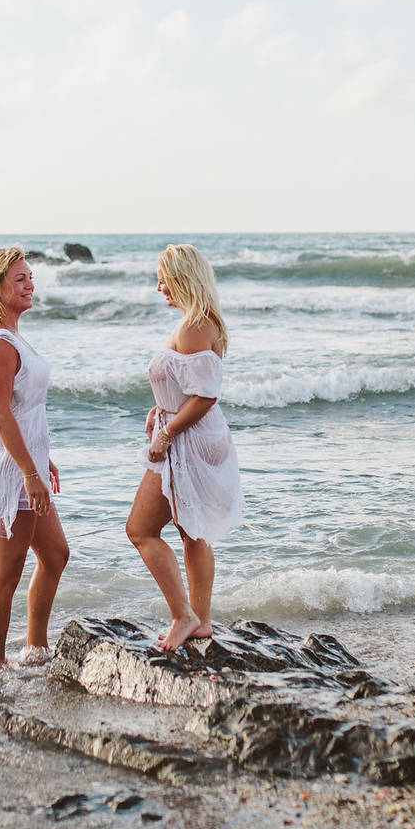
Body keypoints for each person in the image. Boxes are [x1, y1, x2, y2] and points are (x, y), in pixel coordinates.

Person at [127, 243, 243, 652]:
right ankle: (201, 621)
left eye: (164, 278)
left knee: (140, 530)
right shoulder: (198, 322)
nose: (159, 287)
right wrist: (157, 408)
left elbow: (205, 396)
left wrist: (166, 431)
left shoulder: (195, 326)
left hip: (188, 442)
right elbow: (186, 386)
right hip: (192, 436)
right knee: (192, 533)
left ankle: (184, 616)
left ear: (183, 277)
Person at [0, 246, 69, 670]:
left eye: (31, 277)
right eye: (19, 279)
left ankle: (35, 649)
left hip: (27, 464)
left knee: (55, 555)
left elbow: (23, 408)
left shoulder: (12, 333)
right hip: (12, 471)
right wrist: (30, 471)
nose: (30, 284)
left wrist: (41, 460)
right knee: (5, 573)